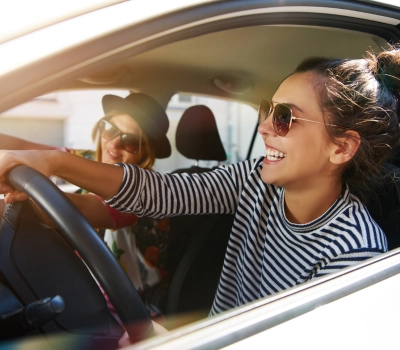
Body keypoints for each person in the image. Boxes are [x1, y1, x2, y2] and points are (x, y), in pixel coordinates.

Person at [0, 46, 399, 331]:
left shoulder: (355, 254)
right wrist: (48, 161)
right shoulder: (254, 179)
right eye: (266, 109)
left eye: (284, 118)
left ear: (341, 147)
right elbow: (163, 192)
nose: (263, 127)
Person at [0, 93, 173, 317]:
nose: (113, 144)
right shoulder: (87, 160)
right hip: (85, 291)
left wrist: (7, 208)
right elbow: (23, 147)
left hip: (130, 313)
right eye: (110, 130)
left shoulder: (145, 192)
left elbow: (80, 209)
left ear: (144, 154)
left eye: (130, 141)